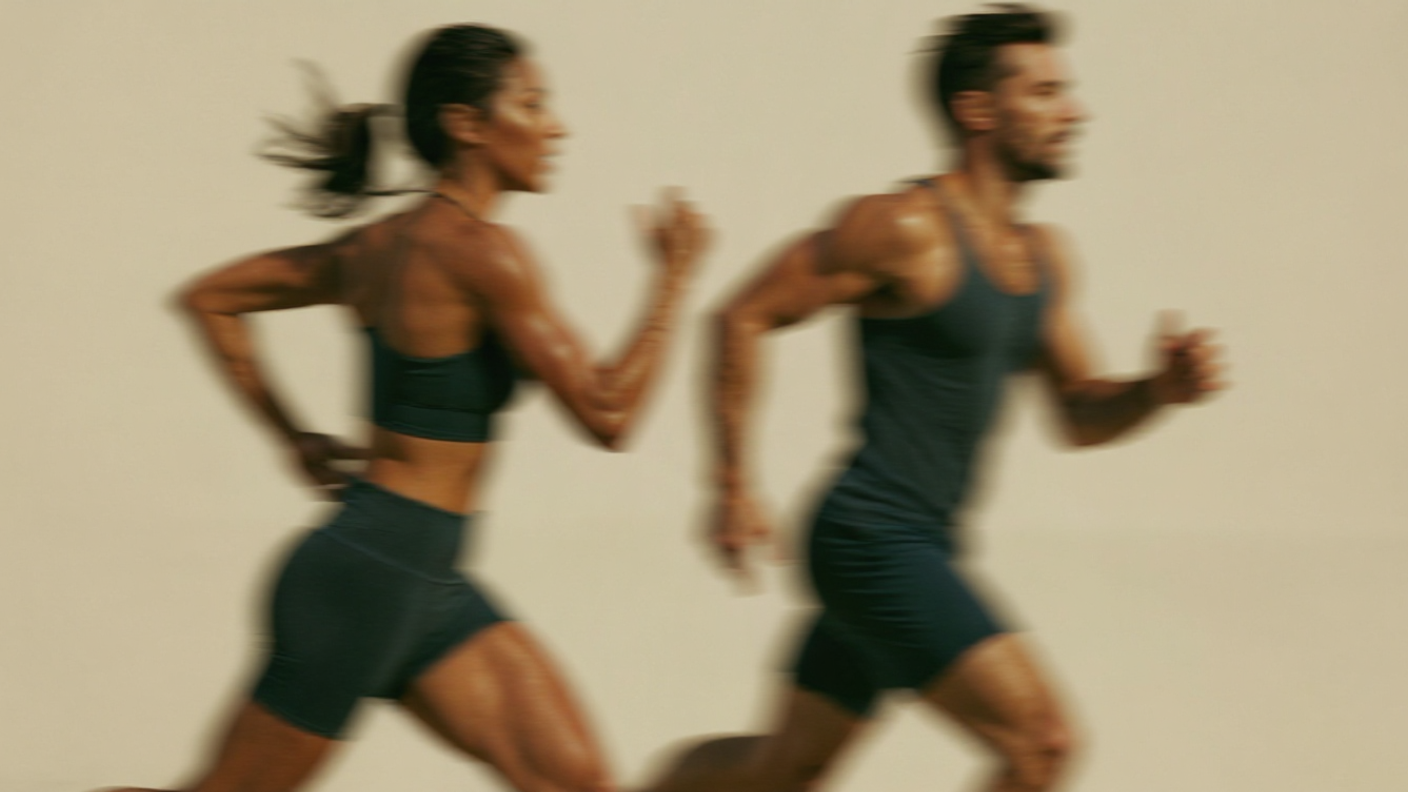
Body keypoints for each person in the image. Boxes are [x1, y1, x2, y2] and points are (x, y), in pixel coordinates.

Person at [102, 23, 707, 792]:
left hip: (425, 583)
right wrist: (673, 282)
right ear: (466, 125)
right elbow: (608, 414)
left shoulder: (371, 249)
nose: (556, 126)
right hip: (371, 580)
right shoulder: (485, 254)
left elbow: (212, 299)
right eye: (532, 103)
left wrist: (292, 438)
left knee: (575, 779)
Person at [645, 5, 1223, 792]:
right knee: (1042, 743)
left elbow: (1079, 412)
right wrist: (732, 486)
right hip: (869, 537)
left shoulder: (1042, 256)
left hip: (921, 543)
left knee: (776, 771)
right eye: (1046, 92)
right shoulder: (903, 227)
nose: (1074, 111)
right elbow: (743, 314)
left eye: (1069, 91)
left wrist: (1159, 390)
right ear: (976, 110)